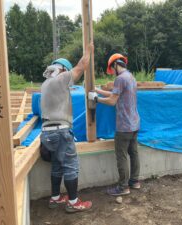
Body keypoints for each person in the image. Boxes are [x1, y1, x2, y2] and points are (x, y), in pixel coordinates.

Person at [40, 43, 94, 213]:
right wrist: (88, 50)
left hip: (47, 133)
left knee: (57, 165)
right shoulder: (62, 78)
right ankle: (73, 202)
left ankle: (55, 199)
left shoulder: (45, 84)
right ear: (63, 69)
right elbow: (81, 66)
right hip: (61, 131)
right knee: (71, 166)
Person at [88, 53, 141, 196]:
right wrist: (97, 90)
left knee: (122, 155)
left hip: (124, 126)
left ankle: (123, 187)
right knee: (133, 153)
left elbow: (112, 101)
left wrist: (96, 99)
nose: (113, 73)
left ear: (115, 65)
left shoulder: (120, 78)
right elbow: (115, 93)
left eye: (112, 69)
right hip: (134, 123)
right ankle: (134, 181)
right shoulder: (130, 77)